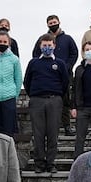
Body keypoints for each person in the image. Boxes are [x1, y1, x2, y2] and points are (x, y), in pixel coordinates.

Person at [24, 33, 69, 173]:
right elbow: (27, 81)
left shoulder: (60, 64)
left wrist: (57, 96)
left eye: (49, 45)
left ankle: (51, 163)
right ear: (40, 46)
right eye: (44, 45)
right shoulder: (33, 63)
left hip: (54, 101)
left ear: (54, 46)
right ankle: (39, 163)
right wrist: (35, 95)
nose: (47, 48)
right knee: (38, 134)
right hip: (37, 100)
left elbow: (65, 83)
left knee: (53, 133)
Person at [32, 15, 78, 135]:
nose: (53, 24)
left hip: (64, 74)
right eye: (50, 23)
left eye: (54, 22)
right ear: (47, 25)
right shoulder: (42, 39)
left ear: (59, 22)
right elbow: (35, 54)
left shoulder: (68, 39)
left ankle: (67, 126)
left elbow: (74, 53)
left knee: (65, 101)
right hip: (47, 76)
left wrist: (66, 66)